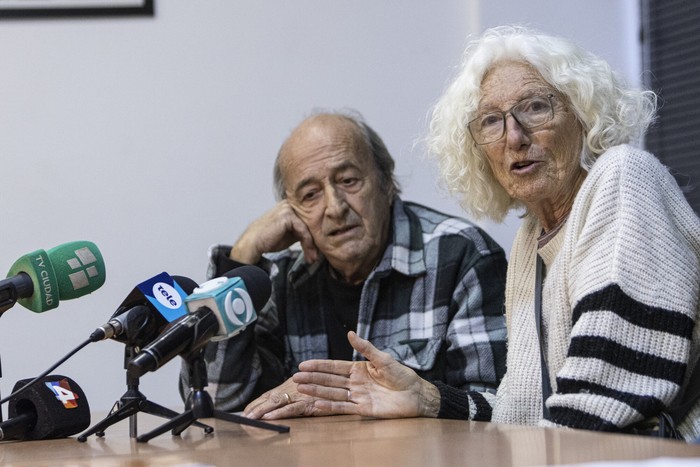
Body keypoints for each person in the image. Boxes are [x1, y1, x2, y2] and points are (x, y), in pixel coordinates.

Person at [292, 26, 700, 440]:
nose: (514, 137)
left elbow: (600, 402)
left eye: (536, 108)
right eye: (491, 121)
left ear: (582, 113)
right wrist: (429, 397)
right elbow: (519, 413)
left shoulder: (623, 177)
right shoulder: (531, 239)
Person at [179, 110, 508, 420]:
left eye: (348, 180)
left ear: (386, 181)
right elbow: (215, 396)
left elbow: (501, 409)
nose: (335, 208)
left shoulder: (461, 256)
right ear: (290, 211)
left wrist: (414, 398)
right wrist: (241, 257)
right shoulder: (279, 280)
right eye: (310, 195)